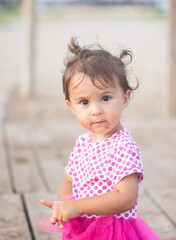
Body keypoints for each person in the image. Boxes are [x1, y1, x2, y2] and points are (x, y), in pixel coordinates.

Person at [39, 37, 161, 239]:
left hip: (114, 231)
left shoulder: (123, 146)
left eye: (105, 98)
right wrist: (64, 205)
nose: (96, 110)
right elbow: (69, 182)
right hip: (83, 228)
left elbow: (126, 198)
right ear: (71, 106)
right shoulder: (82, 144)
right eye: (84, 102)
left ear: (124, 98)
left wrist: (77, 206)